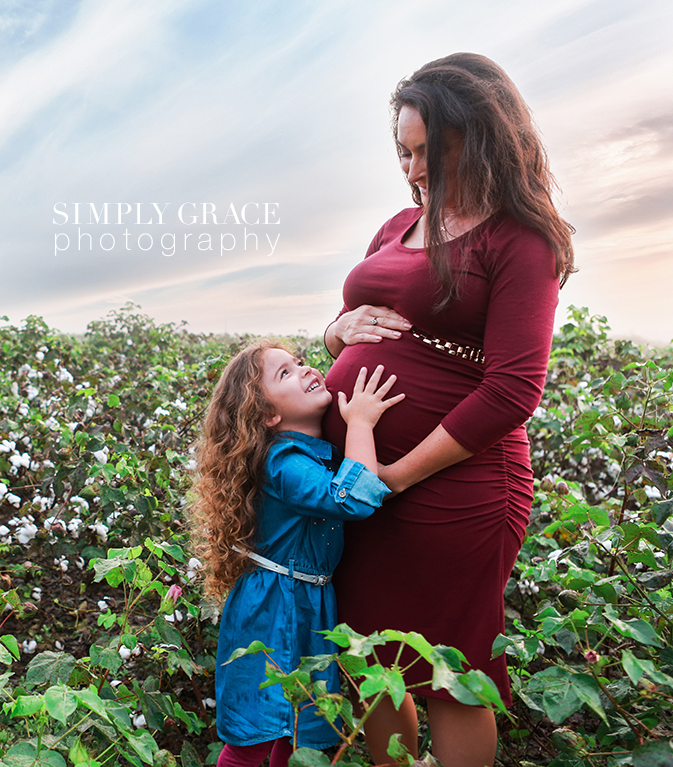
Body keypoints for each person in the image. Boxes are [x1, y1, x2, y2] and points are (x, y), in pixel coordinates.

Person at [321, 53, 576, 767]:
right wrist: (335, 332)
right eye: (403, 152)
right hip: (364, 478)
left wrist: (393, 475)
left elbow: (512, 391)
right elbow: (349, 319)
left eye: (428, 151)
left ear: (481, 136)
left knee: (449, 671)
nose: (412, 169)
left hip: (456, 488)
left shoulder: (517, 239)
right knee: (372, 653)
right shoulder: (397, 225)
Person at [190, 339, 404, 766]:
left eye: (301, 362)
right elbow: (353, 500)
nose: (305, 370)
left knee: (301, 730)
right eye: (284, 373)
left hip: (304, 600)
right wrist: (360, 422)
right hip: (272, 608)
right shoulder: (282, 461)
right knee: (255, 733)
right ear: (268, 415)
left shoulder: (303, 453)